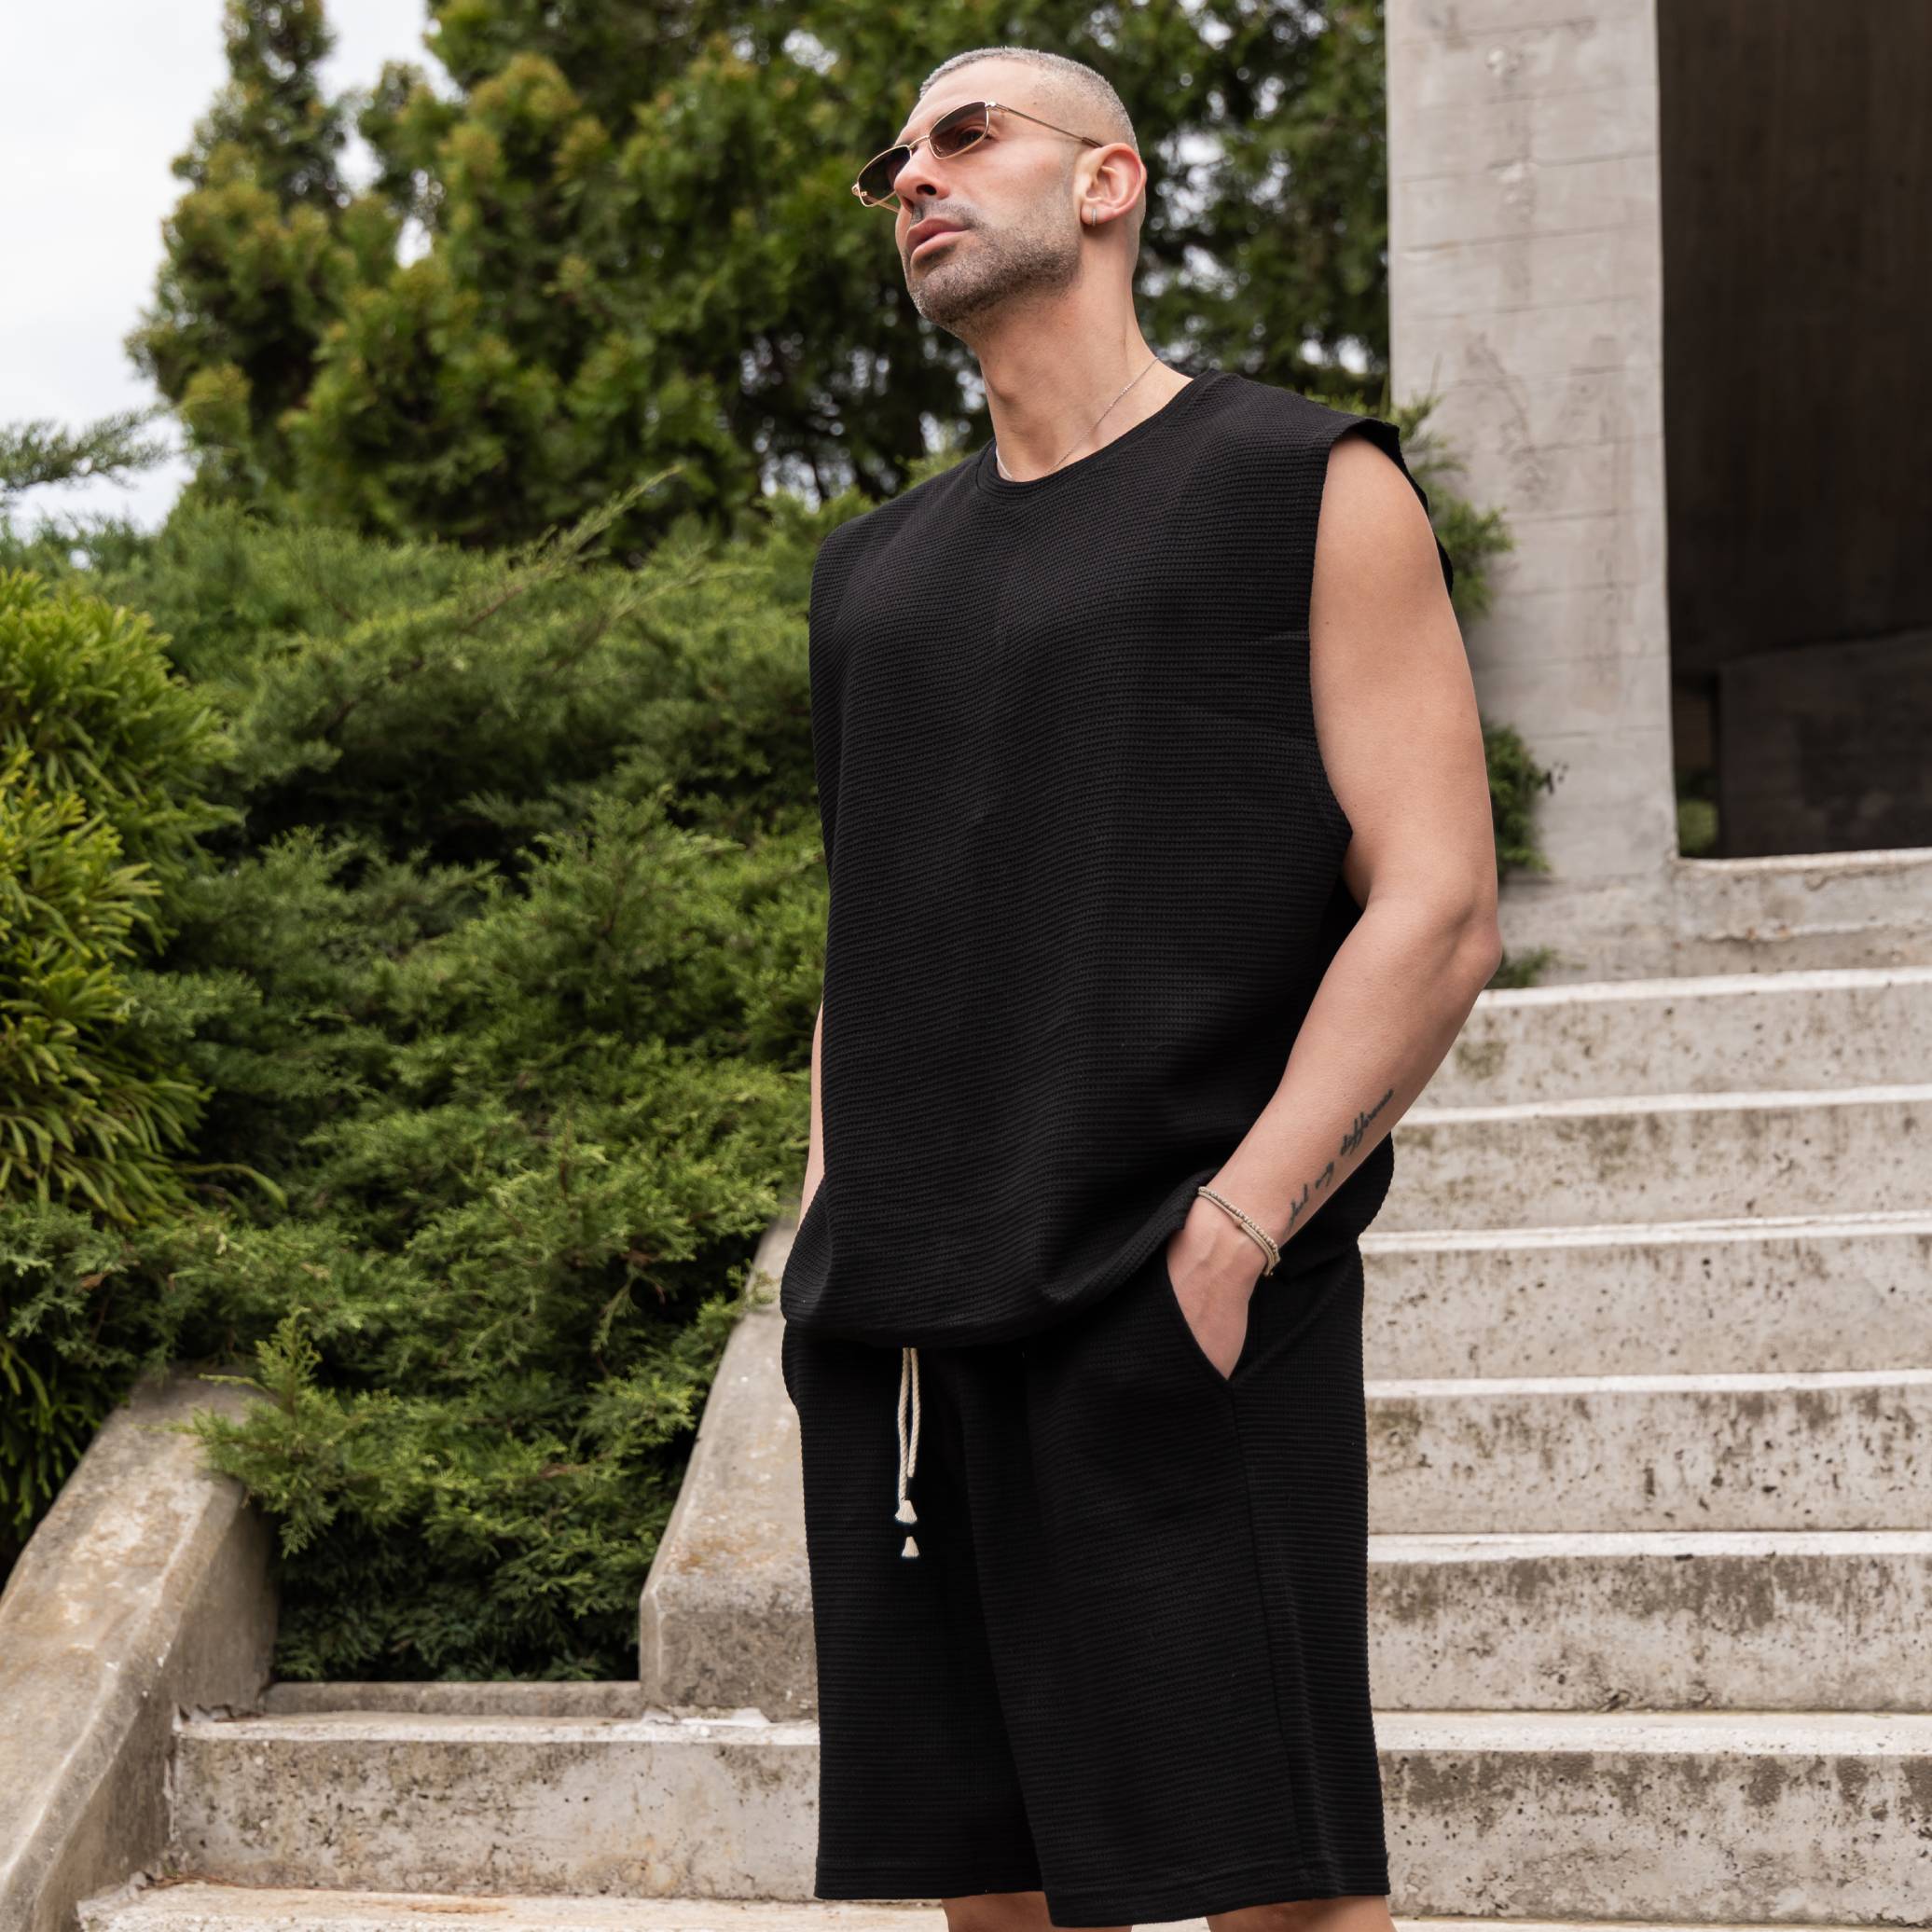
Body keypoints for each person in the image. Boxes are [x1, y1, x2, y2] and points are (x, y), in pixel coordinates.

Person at [776, 42, 1501, 1932]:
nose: (913, 176)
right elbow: (871, 932)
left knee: (1279, 1878)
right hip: (909, 1325)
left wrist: (1238, 1231)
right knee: (986, 1884)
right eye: (896, 158)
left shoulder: (1302, 485)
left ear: (1108, 183)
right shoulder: (870, 580)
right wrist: (827, 1221)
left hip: (1181, 1285)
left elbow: (1435, 906)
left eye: (966, 133)